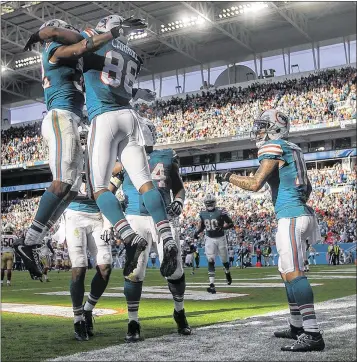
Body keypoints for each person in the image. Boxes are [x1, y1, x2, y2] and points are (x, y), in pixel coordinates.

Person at [15, 19, 129, 279]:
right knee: (63, 180)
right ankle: (29, 241)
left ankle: (34, 239)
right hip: (60, 116)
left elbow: (98, 60)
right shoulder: (54, 50)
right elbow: (77, 45)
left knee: (73, 186)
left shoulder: (69, 53)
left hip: (72, 119)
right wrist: (110, 33)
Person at [217, 109, 325, 351]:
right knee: (285, 272)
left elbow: (255, 183)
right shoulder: (294, 149)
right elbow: (307, 188)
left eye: (263, 126)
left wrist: (229, 177)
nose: (259, 131)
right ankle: (297, 326)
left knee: (294, 272)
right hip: (299, 213)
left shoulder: (274, 147)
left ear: (275, 128)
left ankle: (313, 333)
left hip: (292, 215)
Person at [111, 118, 191, 342]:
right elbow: (109, 189)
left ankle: (179, 312)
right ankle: (133, 321)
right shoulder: (124, 160)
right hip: (135, 218)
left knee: (174, 270)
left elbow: (179, 188)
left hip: (162, 217)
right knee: (134, 272)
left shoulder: (166, 156)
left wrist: (179, 202)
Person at [194, 194, 234, 294]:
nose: (210, 205)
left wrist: (223, 228)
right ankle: (212, 285)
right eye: (208, 203)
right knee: (210, 260)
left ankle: (227, 273)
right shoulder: (202, 213)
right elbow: (203, 226)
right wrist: (197, 232)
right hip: (209, 238)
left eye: (211, 203)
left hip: (221, 238)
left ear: (214, 203)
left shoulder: (221, 212)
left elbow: (231, 224)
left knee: (224, 260)